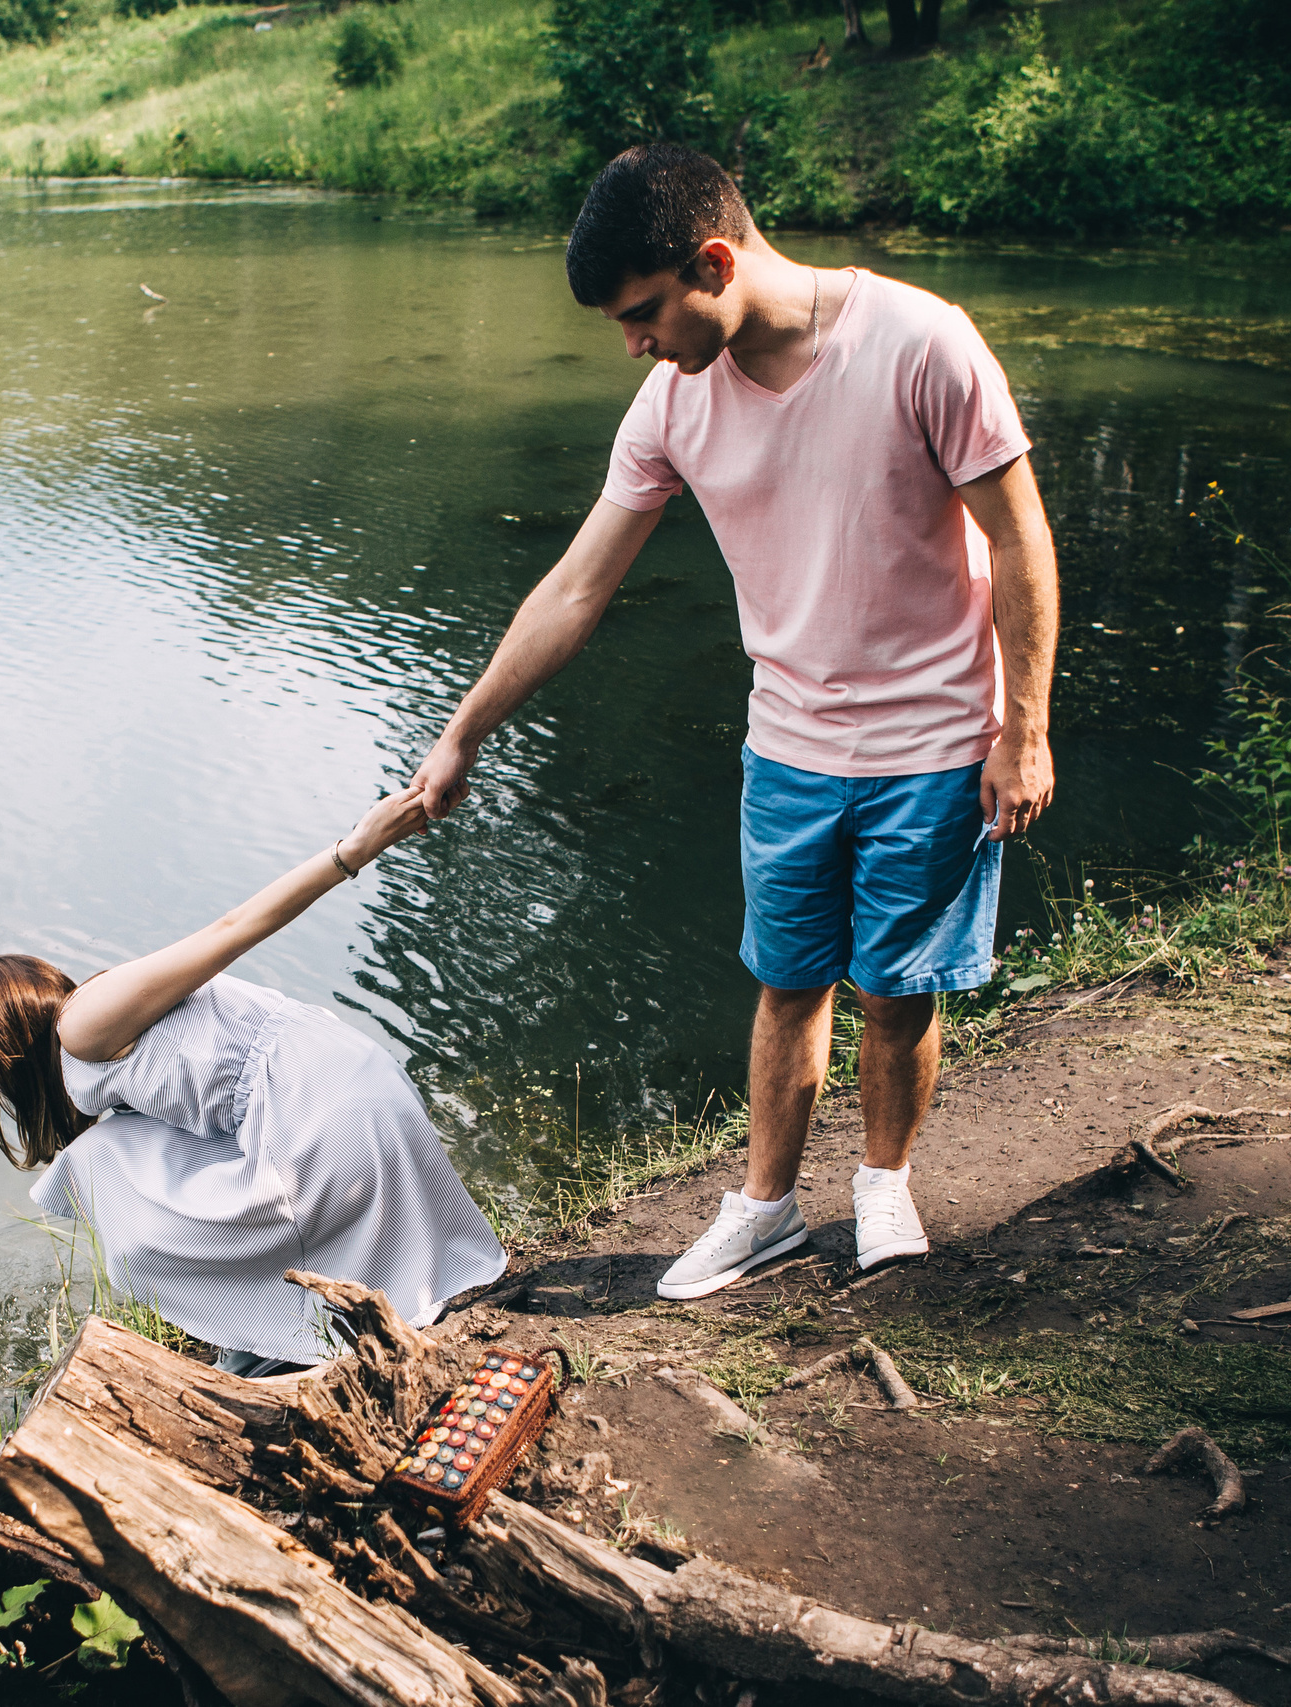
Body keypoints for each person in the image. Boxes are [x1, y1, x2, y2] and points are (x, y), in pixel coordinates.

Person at [410, 143, 1060, 1300]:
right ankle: (764, 1211)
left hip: (935, 739)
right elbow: (574, 587)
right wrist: (465, 730)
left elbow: (1017, 538)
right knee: (785, 978)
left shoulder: (921, 343)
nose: (633, 344)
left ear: (714, 261)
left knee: (899, 986)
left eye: (644, 312)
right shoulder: (670, 404)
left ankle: (881, 1187)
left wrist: (1025, 727)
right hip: (790, 744)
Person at [0, 787, 505, 1373]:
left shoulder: (85, 1022)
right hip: (353, 1087)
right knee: (120, 1148)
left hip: (318, 1106)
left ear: (5, 1043)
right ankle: (263, 1342)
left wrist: (356, 849)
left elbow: (231, 929)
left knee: (96, 1162)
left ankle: (283, 1337)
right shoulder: (94, 1040)